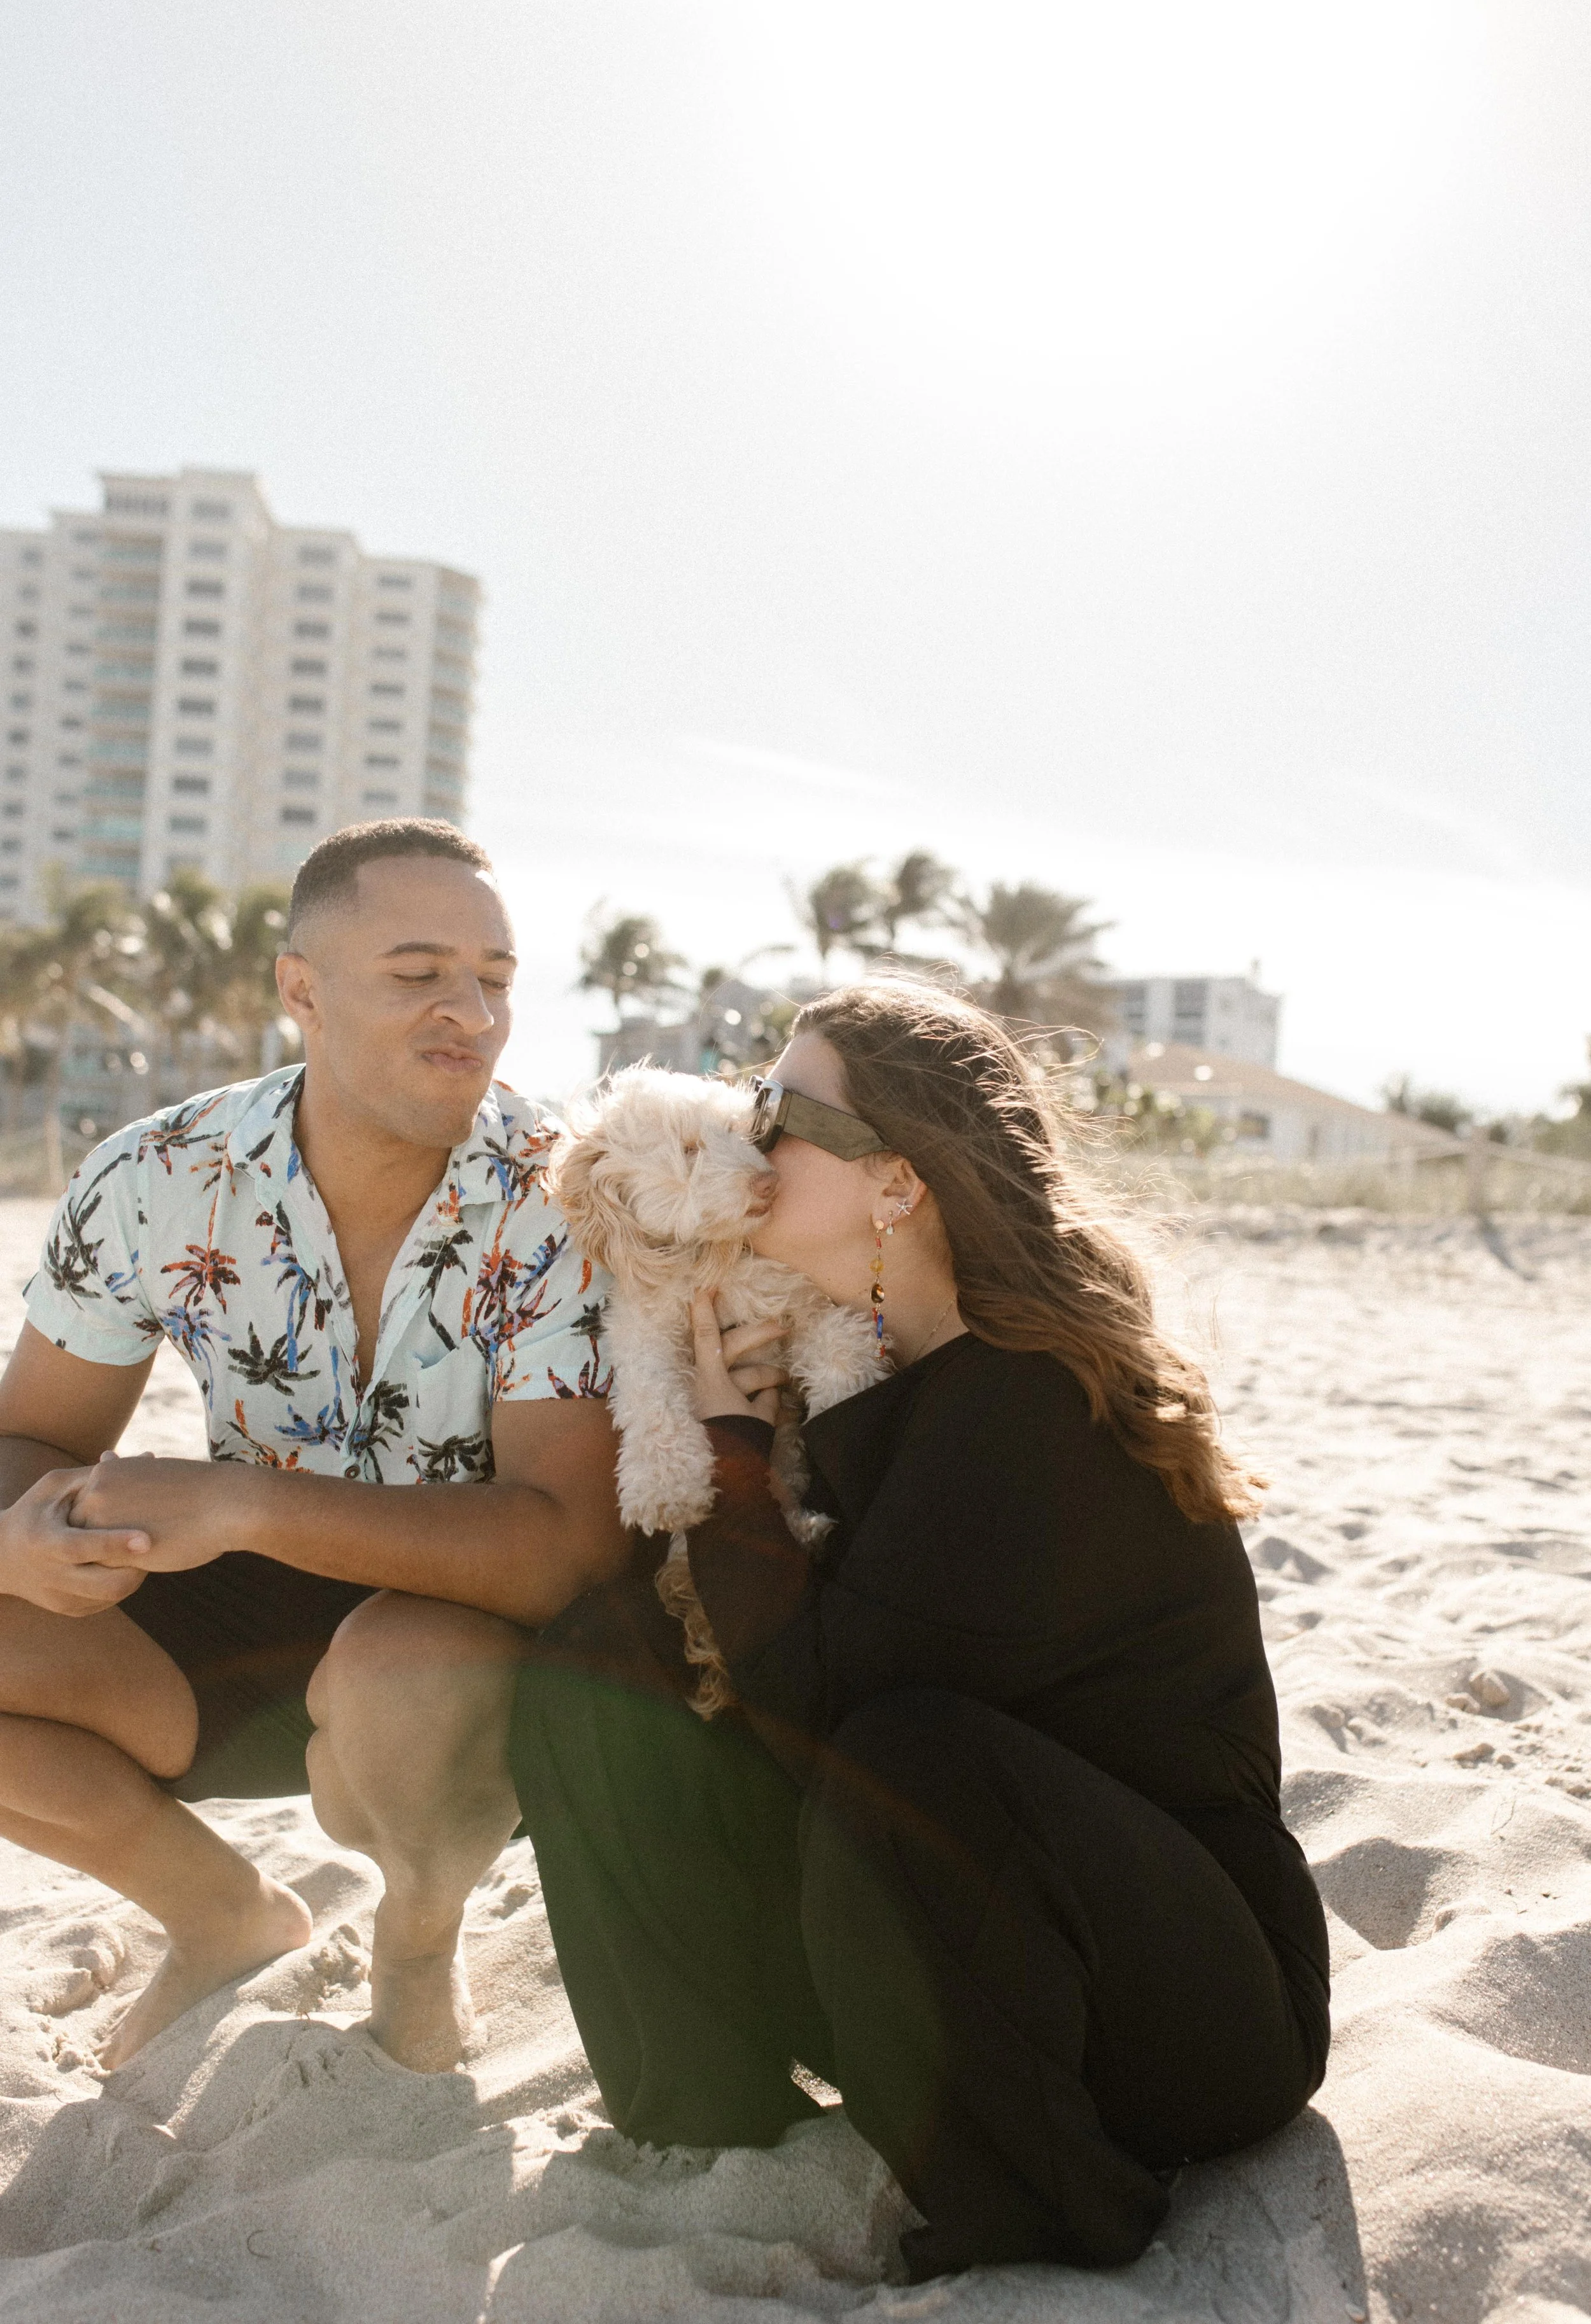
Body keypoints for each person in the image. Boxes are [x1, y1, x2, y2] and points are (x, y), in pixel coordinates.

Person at [376, 977, 1329, 2277]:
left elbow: (823, 1710)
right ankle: (708, 2123)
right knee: (605, 1667)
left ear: (895, 1182)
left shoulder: (1031, 1408)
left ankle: (1030, 2216)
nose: (742, 1136)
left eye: (776, 1110)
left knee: (906, 1755)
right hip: (967, 1949)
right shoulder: (877, 1375)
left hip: (1180, 2014)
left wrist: (724, 1453)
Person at [0, 818, 630, 2071]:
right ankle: (221, 1917)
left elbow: (560, 1550)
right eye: (417, 974)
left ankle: (416, 1939)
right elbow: (28, 1435)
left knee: (408, 1666)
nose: (469, 1011)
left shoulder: (563, 1198)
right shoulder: (155, 1177)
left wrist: (242, 1502)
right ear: (303, 989)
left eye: (494, 980)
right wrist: (26, 1534)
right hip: (234, 1634)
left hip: (474, 1639)